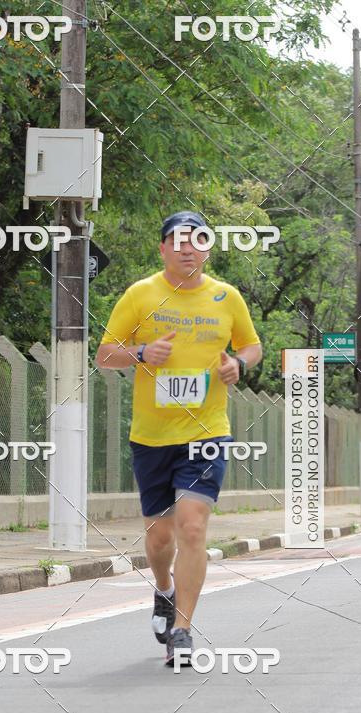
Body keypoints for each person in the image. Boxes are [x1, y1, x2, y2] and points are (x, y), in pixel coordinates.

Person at [96, 211, 262, 665]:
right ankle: (164, 590)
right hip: (151, 436)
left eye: (198, 240)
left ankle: (184, 631)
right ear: (163, 248)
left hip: (207, 432)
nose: (188, 248)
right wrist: (144, 352)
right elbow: (104, 355)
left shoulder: (226, 298)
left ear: (208, 249)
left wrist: (239, 365)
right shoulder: (141, 295)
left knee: (192, 526)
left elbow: (252, 345)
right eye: (178, 241)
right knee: (158, 538)